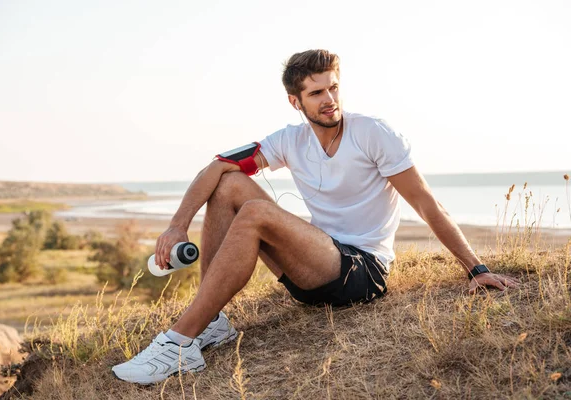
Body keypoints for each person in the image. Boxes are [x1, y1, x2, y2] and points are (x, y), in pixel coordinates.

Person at [112, 49, 519, 384]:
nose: (330, 100)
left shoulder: (374, 133)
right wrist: (176, 225)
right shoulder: (290, 140)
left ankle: (180, 343)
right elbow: (217, 165)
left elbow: (427, 204)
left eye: (334, 88)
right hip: (316, 262)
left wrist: (476, 269)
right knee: (229, 184)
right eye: (316, 93)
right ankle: (212, 321)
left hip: (362, 270)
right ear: (296, 101)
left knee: (254, 211)